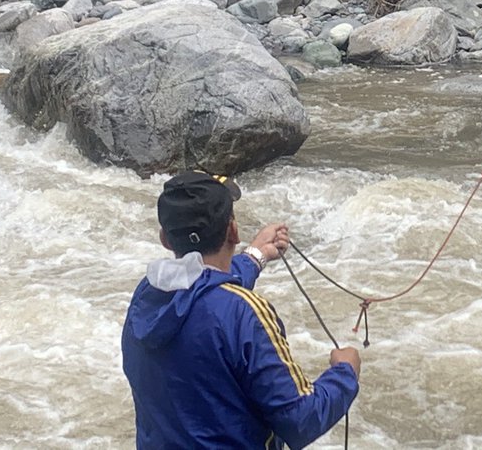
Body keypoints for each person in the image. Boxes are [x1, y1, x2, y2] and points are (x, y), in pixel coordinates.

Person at [122, 171, 361, 449]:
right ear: (233, 231)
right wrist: (345, 371)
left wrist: (256, 255)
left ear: (165, 238)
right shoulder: (245, 312)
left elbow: (203, 287)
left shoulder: (148, 295)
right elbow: (300, 420)